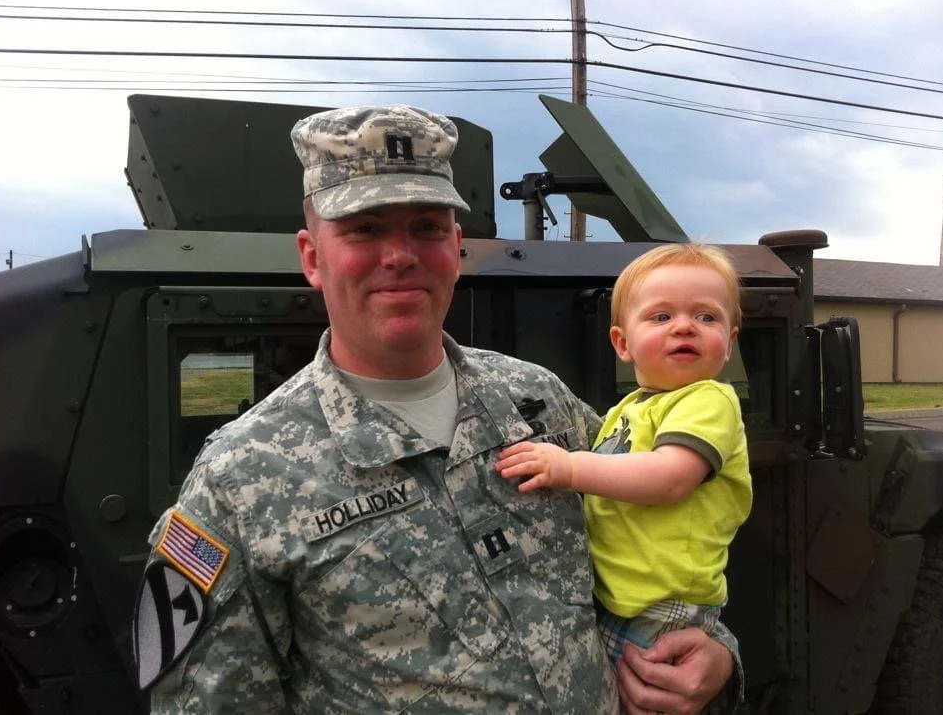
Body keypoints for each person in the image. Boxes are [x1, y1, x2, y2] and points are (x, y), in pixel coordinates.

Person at [131, 104, 740, 714]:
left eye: (426, 226)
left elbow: (661, 532)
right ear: (312, 256)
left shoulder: (538, 401)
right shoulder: (241, 477)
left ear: (455, 245)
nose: (400, 255)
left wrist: (713, 653)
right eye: (364, 229)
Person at [496, 243, 752, 672]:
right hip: (624, 598)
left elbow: (669, 477)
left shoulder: (709, 400)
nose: (685, 326)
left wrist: (569, 467)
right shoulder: (629, 409)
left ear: (729, 343)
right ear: (622, 342)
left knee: (645, 693)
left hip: (662, 608)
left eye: (706, 316)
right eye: (662, 316)